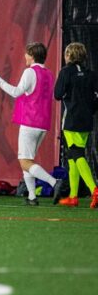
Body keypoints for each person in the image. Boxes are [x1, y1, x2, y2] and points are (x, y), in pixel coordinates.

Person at [0, 42, 64, 206]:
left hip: (30, 121)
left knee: (25, 161)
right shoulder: (49, 74)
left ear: (32, 55)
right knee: (28, 160)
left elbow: (16, 92)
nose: (25, 56)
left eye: (26, 53)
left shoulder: (30, 72)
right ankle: (32, 197)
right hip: (43, 123)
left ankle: (54, 183)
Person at [53, 42, 98, 208]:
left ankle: (94, 189)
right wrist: (90, 110)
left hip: (71, 119)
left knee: (76, 154)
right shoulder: (91, 74)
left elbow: (57, 94)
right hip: (86, 120)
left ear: (69, 56)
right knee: (72, 158)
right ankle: (73, 196)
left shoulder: (66, 72)